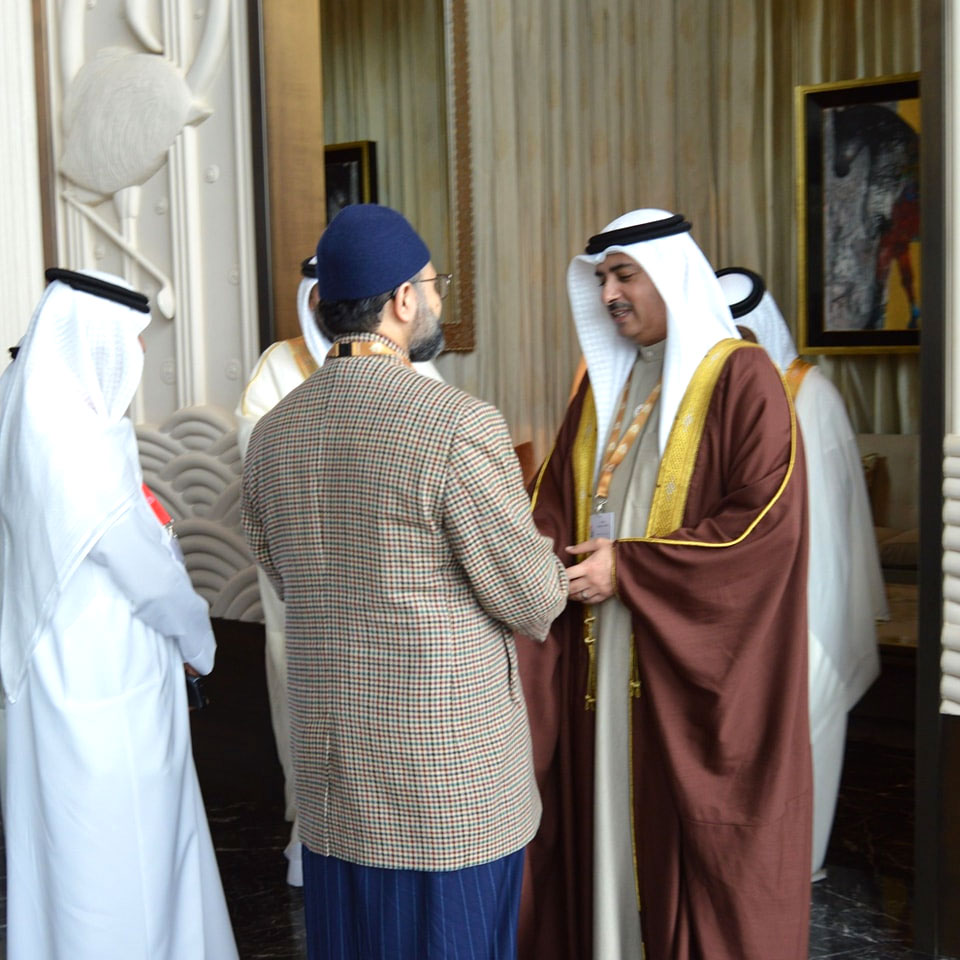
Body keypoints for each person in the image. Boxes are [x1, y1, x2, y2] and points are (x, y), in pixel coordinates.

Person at [241, 204, 568, 959]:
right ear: (401, 301)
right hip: (442, 794)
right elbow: (533, 598)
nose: (439, 301)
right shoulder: (456, 423)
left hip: (333, 785)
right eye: (434, 285)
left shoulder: (274, 433)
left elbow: (285, 576)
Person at [517, 209, 812, 960]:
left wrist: (632, 568)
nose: (611, 294)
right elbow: (552, 505)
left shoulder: (743, 377)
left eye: (625, 275)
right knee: (600, 817)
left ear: (672, 278)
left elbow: (760, 530)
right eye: (602, 279)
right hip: (595, 647)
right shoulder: (603, 388)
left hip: (679, 657)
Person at [0, 269, 237, 960]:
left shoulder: (21, 407)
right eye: (128, 341)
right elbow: (148, 573)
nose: (131, 359)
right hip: (106, 688)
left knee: (62, 856)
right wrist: (201, 636)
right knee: (124, 863)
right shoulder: (79, 439)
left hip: (48, 683)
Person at [235, 254, 442, 886]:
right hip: (315, 570)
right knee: (309, 691)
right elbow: (257, 459)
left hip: (392, 570)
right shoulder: (279, 365)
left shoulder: (419, 369)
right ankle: (314, 825)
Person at [717, 266, 887, 878]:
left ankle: (799, 863)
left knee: (809, 720)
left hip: (810, 596)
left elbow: (828, 520)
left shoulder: (811, 394)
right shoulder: (723, 396)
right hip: (747, 599)